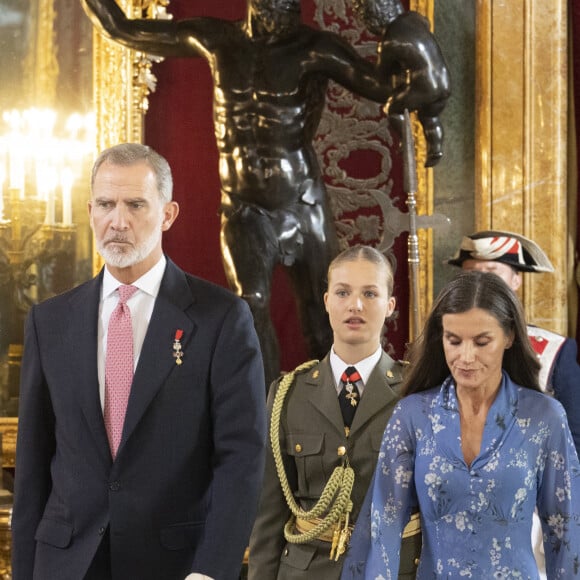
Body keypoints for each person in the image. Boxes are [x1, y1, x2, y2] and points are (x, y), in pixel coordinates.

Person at [80, 0, 451, 387]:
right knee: (250, 304)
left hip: (302, 203)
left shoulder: (315, 48)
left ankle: (340, 417)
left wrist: (411, 41)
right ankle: (265, 416)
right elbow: (123, 29)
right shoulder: (218, 40)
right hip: (245, 208)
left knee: (322, 315)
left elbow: (385, 86)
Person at [11, 143, 267, 580]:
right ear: (91, 211)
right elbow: (33, 462)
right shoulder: (49, 321)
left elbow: (241, 458)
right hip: (64, 564)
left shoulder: (221, 318)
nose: (118, 221)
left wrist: (210, 571)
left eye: (135, 205)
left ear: (167, 214)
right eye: (106, 205)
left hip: (174, 565)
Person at [341, 270, 580, 579]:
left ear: (509, 337)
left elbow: (567, 533)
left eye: (482, 342)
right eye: (453, 341)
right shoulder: (412, 417)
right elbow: (382, 525)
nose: (465, 357)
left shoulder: (544, 417)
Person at [248, 244, 421, 579]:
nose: (355, 305)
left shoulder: (415, 394)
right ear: (327, 301)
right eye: (343, 292)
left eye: (370, 293)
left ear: (390, 305)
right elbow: (269, 515)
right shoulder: (287, 395)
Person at [447, 229, 580, 578]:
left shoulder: (556, 353)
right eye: (471, 273)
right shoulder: (442, 349)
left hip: (532, 521)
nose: (479, 283)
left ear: (516, 280)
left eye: (490, 273)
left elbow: (574, 447)